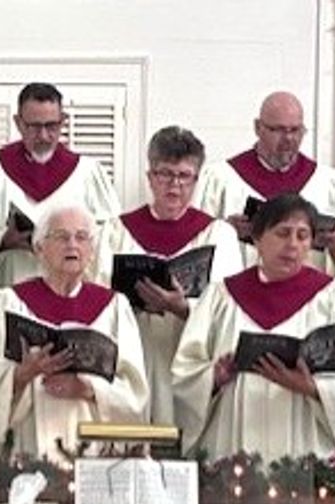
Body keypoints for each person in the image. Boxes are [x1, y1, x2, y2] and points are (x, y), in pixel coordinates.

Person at [171, 193, 335, 462]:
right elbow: (185, 369)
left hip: (306, 445)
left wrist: (313, 387)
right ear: (258, 238)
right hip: (232, 443)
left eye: (302, 236)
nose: (292, 245)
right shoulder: (220, 297)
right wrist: (212, 378)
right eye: (282, 233)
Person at [0, 206, 147, 460]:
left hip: (94, 451)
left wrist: (89, 388)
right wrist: (23, 374)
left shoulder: (115, 308)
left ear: (92, 251)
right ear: (40, 248)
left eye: (81, 237)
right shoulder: (7, 303)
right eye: (61, 237)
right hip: (26, 445)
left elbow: (135, 393)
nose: (72, 245)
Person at [92, 126, 244, 426]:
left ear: (196, 180)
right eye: (165, 174)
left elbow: (229, 309)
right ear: (150, 177)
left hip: (188, 362)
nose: (175, 185)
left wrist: (182, 307)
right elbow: (95, 294)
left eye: (184, 176)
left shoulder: (219, 235)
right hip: (133, 352)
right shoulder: (115, 231)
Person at [0, 83, 121, 325]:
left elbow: (109, 238)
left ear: (63, 121)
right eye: (34, 126)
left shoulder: (87, 174)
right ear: (18, 123)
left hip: (70, 305)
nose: (43, 136)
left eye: (51, 126)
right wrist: (0, 241)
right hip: (6, 296)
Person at [195, 91, 335, 286]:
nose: (289, 138)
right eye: (278, 130)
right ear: (258, 128)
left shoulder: (329, 183)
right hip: (242, 299)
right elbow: (194, 248)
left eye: (296, 130)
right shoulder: (220, 180)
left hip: (309, 300)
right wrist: (225, 232)